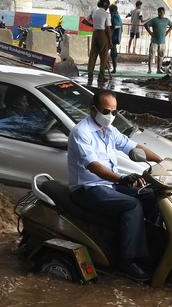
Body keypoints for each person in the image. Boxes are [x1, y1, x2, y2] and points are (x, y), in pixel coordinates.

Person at [67, 90, 163, 282]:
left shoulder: (110, 130)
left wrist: (162, 161)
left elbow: (133, 147)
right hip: (88, 188)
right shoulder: (81, 132)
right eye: (106, 111)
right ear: (93, 110)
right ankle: (128, 261)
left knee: (153, 195)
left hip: (109, 185)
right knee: (132, 204)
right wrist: (122, 179)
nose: (110, 116)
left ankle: (151, 245)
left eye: (114, 112)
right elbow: (94, 167)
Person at [85, 0, 113, 86]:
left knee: (93, 55)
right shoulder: (106, 14)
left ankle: (90, 76)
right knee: (103, 57)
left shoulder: (94, 11)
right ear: (107, 6)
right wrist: (110, 41)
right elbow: (108, 28)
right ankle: (101, 77)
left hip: (95, 33)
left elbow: (84, 21)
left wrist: (93, 26)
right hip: (102, 34)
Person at [144, 7, 172, 74]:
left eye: (161, 12)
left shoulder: (166, 20)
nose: (160, 14)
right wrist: (150, 33)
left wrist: (167, 32)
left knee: (161, 57)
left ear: (164, 13)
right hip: (154, 41)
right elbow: (146, 25)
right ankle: (149, 69)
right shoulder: (154, 20)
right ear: (158, 12)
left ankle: (158, 70)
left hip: (162, 42)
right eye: (159, 12)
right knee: (151, 56)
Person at [109, 2, 122, 69]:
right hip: (114, 37)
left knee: (113, 53)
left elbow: (117, 26)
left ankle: (114, 68)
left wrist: (110, 29)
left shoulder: (115, 16)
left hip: (114, 37)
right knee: (111, 52)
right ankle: (109, 66)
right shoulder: (116, 15)